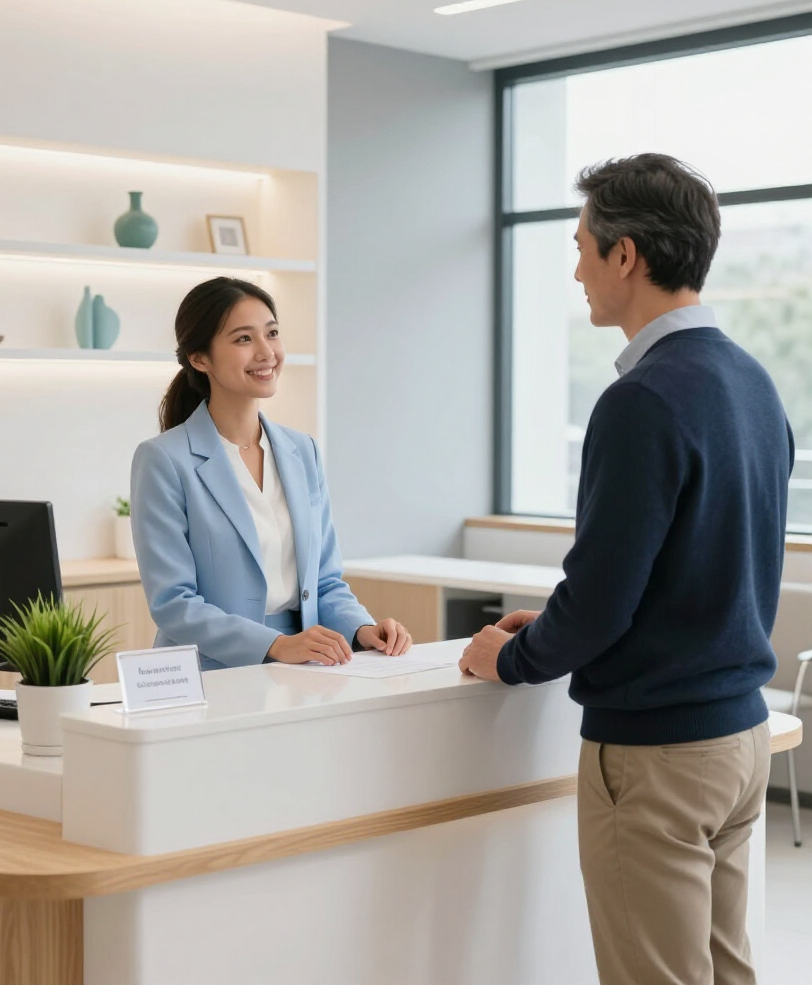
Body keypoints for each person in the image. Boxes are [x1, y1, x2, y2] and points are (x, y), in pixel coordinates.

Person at [460, 154, 794, 985]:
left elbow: (604, 600)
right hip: (738, 740)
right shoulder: (756, 385)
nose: (576, 269)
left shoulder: (641, 399)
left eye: (582, 246)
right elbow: (698, 565)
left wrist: (507, 658)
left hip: (658, 755)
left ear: (626, 254)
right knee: (725, 972)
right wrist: (555, 625)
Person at [131, 276, 412, 671]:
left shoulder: (302, 451)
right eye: (244, 339)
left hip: (304, 668)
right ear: (200, 358)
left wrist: (361, 629)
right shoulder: (163, 460)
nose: (267, 352)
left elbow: (326, 581)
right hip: (210, 674)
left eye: (272, 333)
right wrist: (277, 644)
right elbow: (174, 605)